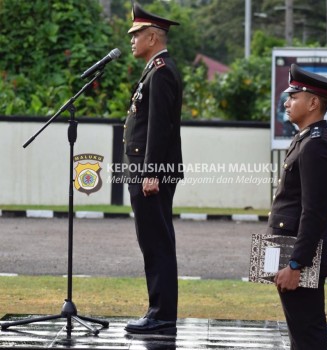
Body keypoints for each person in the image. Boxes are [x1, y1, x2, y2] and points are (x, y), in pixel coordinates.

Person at [268, 63, 327, 349]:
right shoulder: (305, 139)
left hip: (299, 258)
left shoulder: (316, 145)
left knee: (308, 336)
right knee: (301, 334)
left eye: (294, 97)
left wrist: (296, 264)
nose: (286, 102)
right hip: (290, 251)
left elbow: (313, 211)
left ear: (313, 103)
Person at [123, 1, 183, 335]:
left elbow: (160, 127)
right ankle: (159, 310)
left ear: (153, 37)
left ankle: (161, 314)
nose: (132, 40)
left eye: (137, 34)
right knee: (154, 241)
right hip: (148, 170)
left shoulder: (161, 72)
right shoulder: (155, 69)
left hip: (151, 173)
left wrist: (152, 172)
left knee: (156, 242)